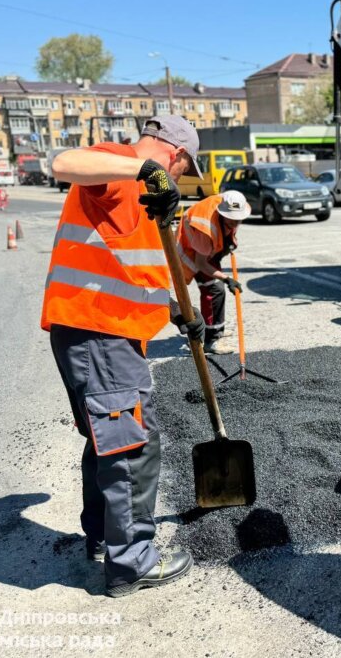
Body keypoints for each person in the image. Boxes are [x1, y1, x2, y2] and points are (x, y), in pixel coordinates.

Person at [41, 115, 205, 598]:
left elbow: (130, 268)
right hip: (98, 333)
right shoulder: (121, 164)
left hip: (99, 333)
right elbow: (63, 162)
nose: (176, 181)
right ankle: (132, 562)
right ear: (172, 154)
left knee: (106, 440)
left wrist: (179, 312)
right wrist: (143, 170)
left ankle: (102, 537)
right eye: (179, 170)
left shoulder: (139, 192)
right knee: (133, 446)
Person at [176, 190, 251, 354]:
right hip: (192, 254)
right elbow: (201, 263)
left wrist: (229, 241)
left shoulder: (231, 205)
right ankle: (210, 339)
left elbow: (229, 227)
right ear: (223, 213)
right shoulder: (206, 228)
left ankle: (217, 330)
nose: (236, 223)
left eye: (238, 220)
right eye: (232, 220)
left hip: (207, 252)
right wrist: (227, 279)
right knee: (214, 288)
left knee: (216, 289)